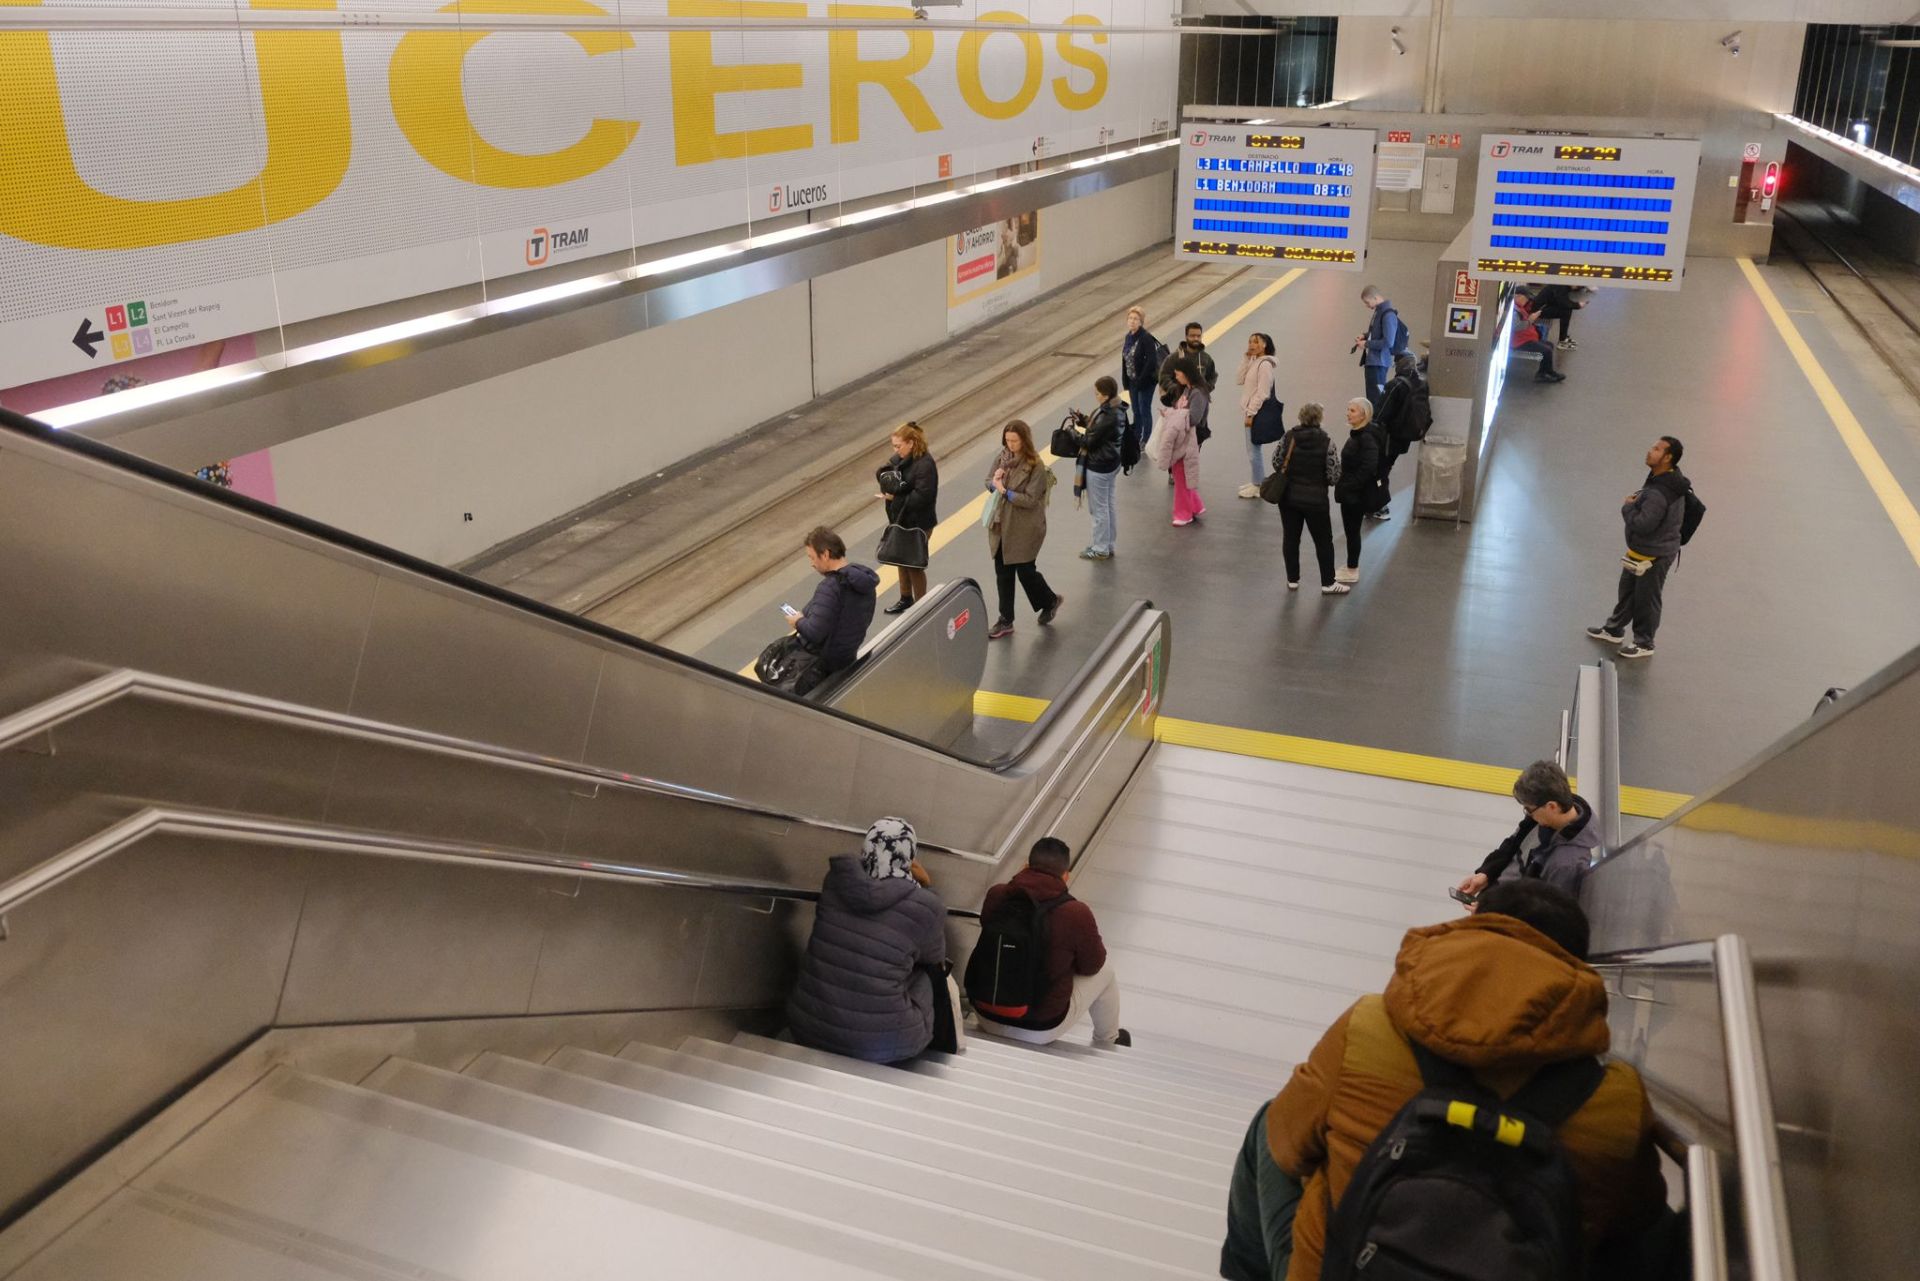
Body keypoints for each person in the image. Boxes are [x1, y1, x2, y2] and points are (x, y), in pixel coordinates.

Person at [1220, 880, 1665, 1281]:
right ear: (1577, 966)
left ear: (1475, 926)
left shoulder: (1368, 1026)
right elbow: (1637, 1216)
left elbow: (1286, 1143)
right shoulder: (1618, 1099)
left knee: (1270, 1124)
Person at [786, 817, 949, 1064]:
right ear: (910, 856)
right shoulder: (926, 905)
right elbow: (935, 957)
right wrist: (925, 888)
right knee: (926, 973)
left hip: (808, 1028)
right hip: (883, 1043)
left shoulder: (837, 882)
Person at [971, 837, 1128, 1047]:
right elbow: (1093, 965)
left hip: (986, 1015)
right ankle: (1109, 1042)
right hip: (1038, 1028)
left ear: (1026, 866)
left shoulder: (997, 894)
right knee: (1106, 972)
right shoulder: (1076, 913)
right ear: (1066, 876)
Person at [1586, 435, 1691, 660]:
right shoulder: (1666, 477)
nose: (1650, 451)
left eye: (1656, 449)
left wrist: (1628, 508)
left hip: (1654, 554)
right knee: (1629, 591)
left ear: (1668, 457)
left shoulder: (1659, 492)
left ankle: (1644, 642)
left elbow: (1643, 524)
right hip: (1643, 551)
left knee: (1647, 598)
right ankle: (1614, 629)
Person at [1454, 760, 1601, 902]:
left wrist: (1494, 912)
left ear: (1551, 807)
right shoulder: (1541, 816)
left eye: (1529, 809)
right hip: (1493, 900)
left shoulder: (1568, 864)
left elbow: (1545, 914)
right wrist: (1486, 874)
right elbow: (1512, 844)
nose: (1528, 814)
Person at [984, 420, 1063, 640]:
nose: (1010, 445)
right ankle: (1005, 619)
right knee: (1003, 572)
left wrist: (1003, 491)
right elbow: (987, 480)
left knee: (1026, 571)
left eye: (1014, 441)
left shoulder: (1034, 464)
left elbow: (1030, 500)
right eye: (1007, 440)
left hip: (1025, 527)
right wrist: (994, 483)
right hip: (1001, 525)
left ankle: (1049, 600)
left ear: (1024, 440)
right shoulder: (1002, 457)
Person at [788, 526, 879, 696]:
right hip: (847, 657)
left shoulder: (830, 587)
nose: (812, 564)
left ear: (825, 554)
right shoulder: (863, 580)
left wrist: (798, 621)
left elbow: (815, 633)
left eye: (812, 557)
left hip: (821, 668)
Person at [1273, 403, 1345, 595]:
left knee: (1291, 537)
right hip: (1316, 501)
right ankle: (1328, 582)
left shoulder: (1289, 437)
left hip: (1289, 498)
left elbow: (1276, 461)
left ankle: (1292, 579)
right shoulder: (1327, 442)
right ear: (1319, 419)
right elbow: (1333, 475)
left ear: (1300, 416)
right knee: (1323, 541)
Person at [876, 421, 937, 614]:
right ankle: (905, 598)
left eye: (898, 445)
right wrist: (886, 480)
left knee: (913, 563)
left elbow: (924, 496)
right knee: (901, 558)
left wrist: (896, 496)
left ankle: (921, 604)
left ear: (911, 443)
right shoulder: (903, 458)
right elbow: (885, 470)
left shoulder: (925, 464)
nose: (895, 450)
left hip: (919, 522)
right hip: (902, 519)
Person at [1332, 399, 1386, 586]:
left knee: (1353, 531)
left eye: (1353, 410)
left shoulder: (1365, 438)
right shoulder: (1359, 435)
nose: (1348, 413)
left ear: (1364, 414)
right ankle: (1350, 566)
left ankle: (1352, 569)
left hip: (1355, 495)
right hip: (1352, 492)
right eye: (1348, 409)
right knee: (1351, 531)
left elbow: (1369, 466)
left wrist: (1350, 485)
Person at [1153, 358, 1206, 527]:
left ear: (1186, 373)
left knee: (1181, 476)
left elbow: (1194, 417)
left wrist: (1174, 418)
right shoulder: (1188, 390)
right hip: (1183, 438)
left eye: (1178, 374)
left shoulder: (1197, 394)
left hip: (1187, 440)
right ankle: (1195, 506)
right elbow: (1180, 411)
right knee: (1182, 474)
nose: (1176, 378)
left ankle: (1183, 513)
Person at [1370, 353, 1423, 522]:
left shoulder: (1395, 385)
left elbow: (1381, 413)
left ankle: (1380, 505)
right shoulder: (1420, 384)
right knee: (1385, 468)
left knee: (1379, 471)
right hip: (1403, 439)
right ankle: (1375, 503)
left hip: (1388, 438)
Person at [1079, 377, 1123, 560]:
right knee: (1108, 505)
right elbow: (1097, 429)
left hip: (1100, 465)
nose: (1095, 396)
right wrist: (1084, 421)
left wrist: (1075, 436)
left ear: (1105, 395)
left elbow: (1090, 440)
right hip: (1112, 462)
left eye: (1097, 393)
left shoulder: (1108, 415)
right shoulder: (1118, 408)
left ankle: (1100, 547)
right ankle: (1108, 543)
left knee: (1098, 509)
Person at [1237, 333, 1279, 499]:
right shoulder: (1254, 361)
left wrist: (1251, 413)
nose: (1251, 344)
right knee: (1252, 449)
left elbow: (1263, 393)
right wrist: (1246, 359)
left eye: (1256, 342)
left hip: (1256, 413)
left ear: (1264, 345)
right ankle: (1257, 480)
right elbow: (1239, 379)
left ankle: (1259, 485)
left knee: (1254, 450)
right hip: (1250, 411)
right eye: (1250, 341)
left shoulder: (1265, 365)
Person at [1120, 306, 1165, 451]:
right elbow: (1125, 359)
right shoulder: (1128, 337)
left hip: (1145, 382)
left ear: (1141, 322)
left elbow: (1151, 361)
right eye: (1130, 318)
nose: (1132, 321)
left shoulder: (1146, 338)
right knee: (1135, 410)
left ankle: (1146, 439)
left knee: (1144, 409)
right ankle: (1137, 436)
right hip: (1132, 381)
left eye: (1136, 319)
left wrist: (1141, 380)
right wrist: (1126, 380)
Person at [1354, 286, 1405, 408]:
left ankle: (1376, 425)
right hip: (1374, 361)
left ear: (1376, 298)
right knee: (1371, 399)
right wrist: (1365, 336)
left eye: (1367, 302)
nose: (1367, 305)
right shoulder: (1379, 312)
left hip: (1379, 362)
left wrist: (1366, 344)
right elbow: (1377, 334)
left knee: (1375, 400)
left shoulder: (1388, 314)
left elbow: (1388, 342)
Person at [1510, 293, 1566, 383]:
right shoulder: (1514, 312)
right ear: (1517, 296)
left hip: (1524, 338)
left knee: (1549, 345)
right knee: (1546, 350)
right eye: (1525, 298)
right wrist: (1530, 320)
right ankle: (1543, 374)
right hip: (1519, 341)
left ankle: (1546, 371)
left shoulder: (1518, 308)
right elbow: (1516, 327)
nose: (1526, 301)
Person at [1159, 320, 1218, 404]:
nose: (1196, 338)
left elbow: (1212, 376)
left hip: (1199, 400)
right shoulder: (1175, 357)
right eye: (1192, 336)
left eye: (1198, 336)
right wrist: (1175, 389)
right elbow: (1163, 376)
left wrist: (1205, 389)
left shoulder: (1206, 358)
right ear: (1186, 336)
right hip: (1178, 402)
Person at [1531, 283, 1588, 349]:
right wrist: (1578, 305)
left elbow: (1561, 300)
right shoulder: (1561, 286)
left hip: (1545, 305)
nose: (1576, 288)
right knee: (1566, 311)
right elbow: (1563, 302)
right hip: (1538, 311)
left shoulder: (1563, 285)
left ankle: (1563, 338)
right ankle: (1562, 341)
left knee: (1567, 309)